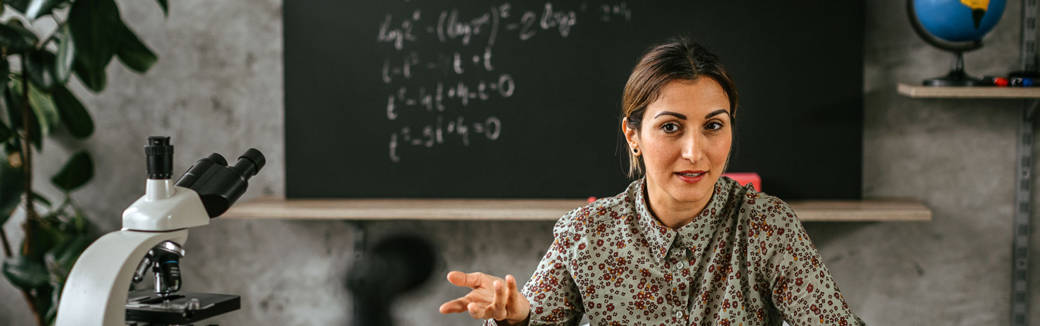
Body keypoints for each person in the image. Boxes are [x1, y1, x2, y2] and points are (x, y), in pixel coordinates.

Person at [438, 37, 864, 326]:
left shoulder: (767, 226)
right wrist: (515, 317)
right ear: (633, 135)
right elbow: (534, 317)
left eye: (714, 126)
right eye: (671, 128)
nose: (695, 152)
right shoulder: (585, 233)